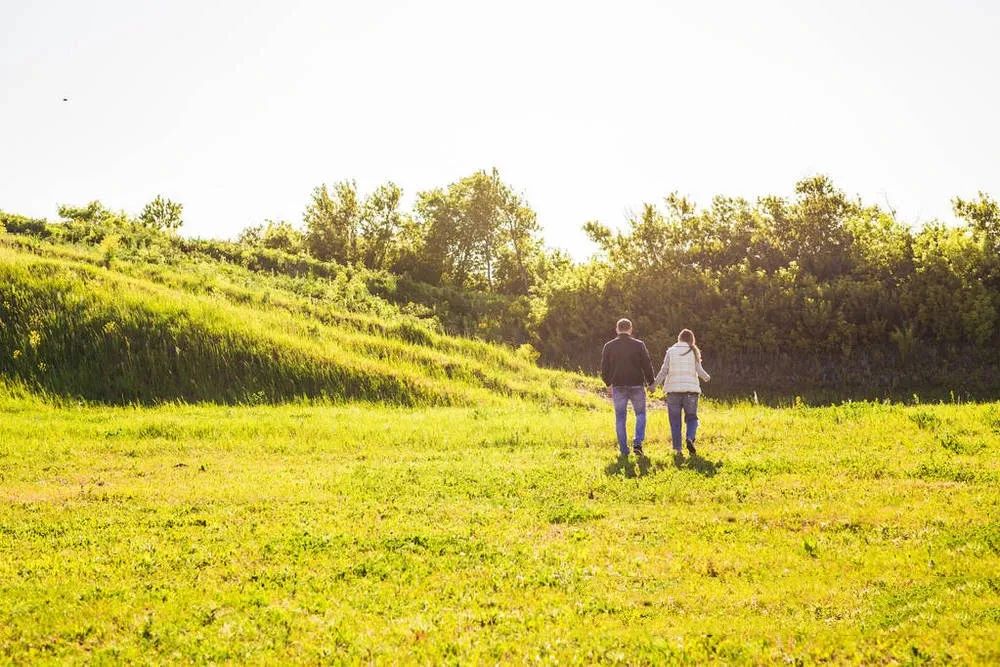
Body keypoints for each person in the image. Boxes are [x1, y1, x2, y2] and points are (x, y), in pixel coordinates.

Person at [600, 318, 655, 457]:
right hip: (636, 384)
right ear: (630, 329)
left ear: (617, 329)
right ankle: (637, 443)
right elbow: (647, 365)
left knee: (620, 418)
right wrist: (651, 382)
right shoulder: (639, 345)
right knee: (641, 414)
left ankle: (624, 450)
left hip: (618, 385)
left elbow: (604, 368)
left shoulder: (609, 346)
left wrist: (608, 383)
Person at [654, 328, 711, 456]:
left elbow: (664, 370)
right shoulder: (693, 351)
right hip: (691, 391)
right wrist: (707, 377)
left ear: (679, 338)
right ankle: (690, 438)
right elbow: (699, 370)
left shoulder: (671, 351)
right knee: (692, 417)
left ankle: (678, 449)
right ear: (691, 340)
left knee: (675, 421)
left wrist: (654, 385)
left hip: (673, 392)